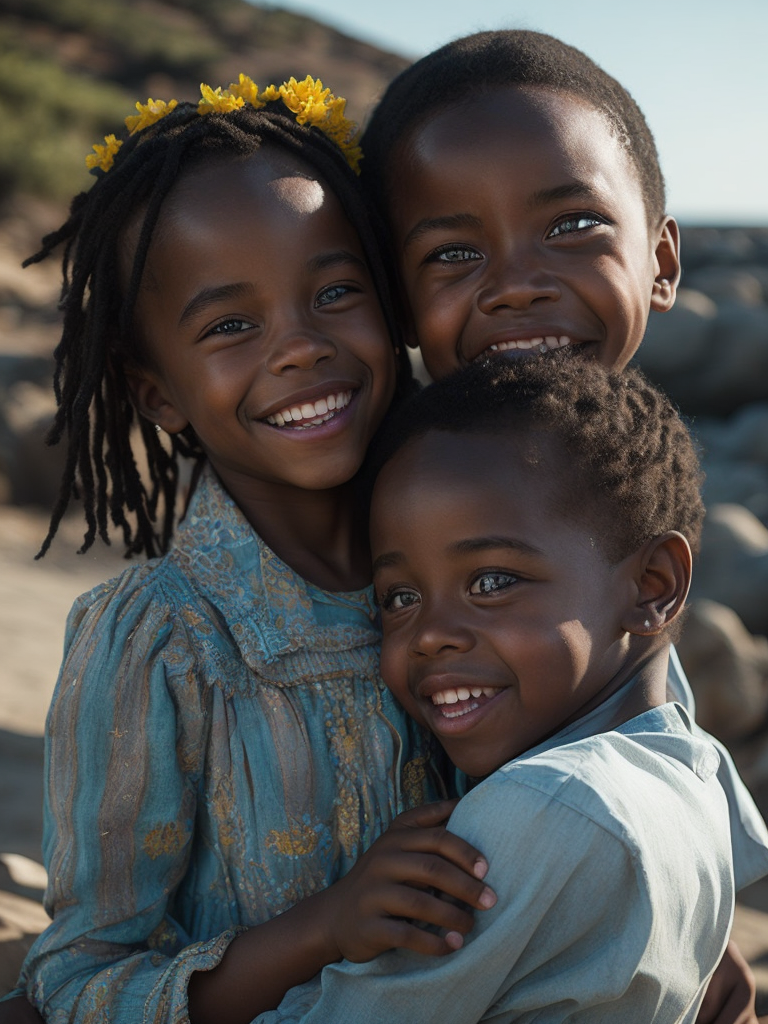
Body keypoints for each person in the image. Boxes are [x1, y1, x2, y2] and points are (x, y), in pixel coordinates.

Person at [1, 76, 496, 1024]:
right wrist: (324, 929)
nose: (300, 346)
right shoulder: (157, 643)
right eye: (231, 325)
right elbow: (76, 984)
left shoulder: (481, 566)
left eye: (336, 291)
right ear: (156, 393)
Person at [359, 30, 768, 1019]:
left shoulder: (618, 479)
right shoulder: (385, 479)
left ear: (662, 258)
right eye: (455, 252)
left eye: (573, 226)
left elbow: (651, 715)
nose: (517, 282)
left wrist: (701, 943)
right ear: (399, 298)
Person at [255, 355, 735, 1023]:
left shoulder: (541, 807)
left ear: (653, 584)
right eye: (399, 596)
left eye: (490, 582)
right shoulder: (701, 774)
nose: (429, 636)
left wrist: (319, 926)